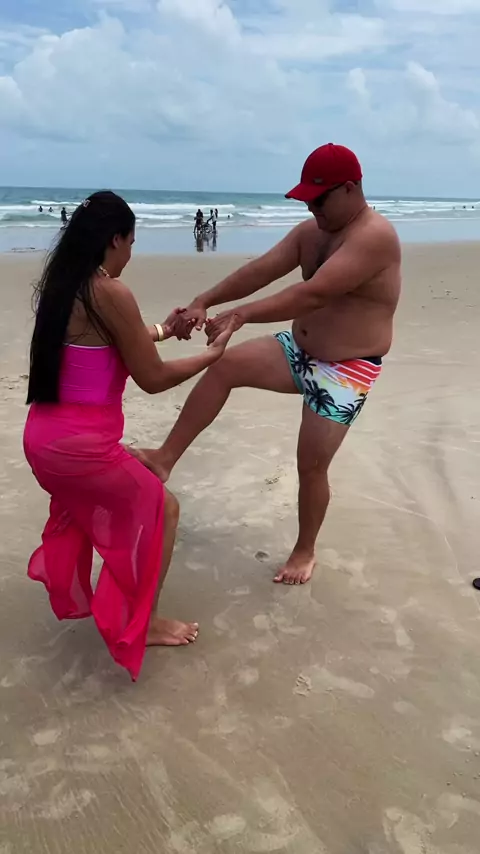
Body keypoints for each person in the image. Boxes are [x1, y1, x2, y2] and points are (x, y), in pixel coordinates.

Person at [135, 144, 402, 586]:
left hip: (345, 369)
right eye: (307, 201)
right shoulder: (312, 232)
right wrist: (205, 300)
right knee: (223, 367)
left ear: (350, 188)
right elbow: (262, 270)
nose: (312, 209)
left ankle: (305, 549)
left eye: (319, 199)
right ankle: (165, 458)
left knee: (310, 466)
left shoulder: (374, 237)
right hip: (298, 350)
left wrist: (241, 314)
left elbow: (314, 293)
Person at [23, 191, 235, 680]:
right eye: (132, 243)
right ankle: (145, 622)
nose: (131, 254)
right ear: (116, 239)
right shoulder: (110, 291)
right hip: (79, 450)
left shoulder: (64, 284)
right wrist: (212, 355)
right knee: (163, 507)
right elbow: (153, 378)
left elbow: (112, 338)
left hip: (44, 442)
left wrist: (166, 329)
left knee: (132, 484)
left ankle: (112, 594)